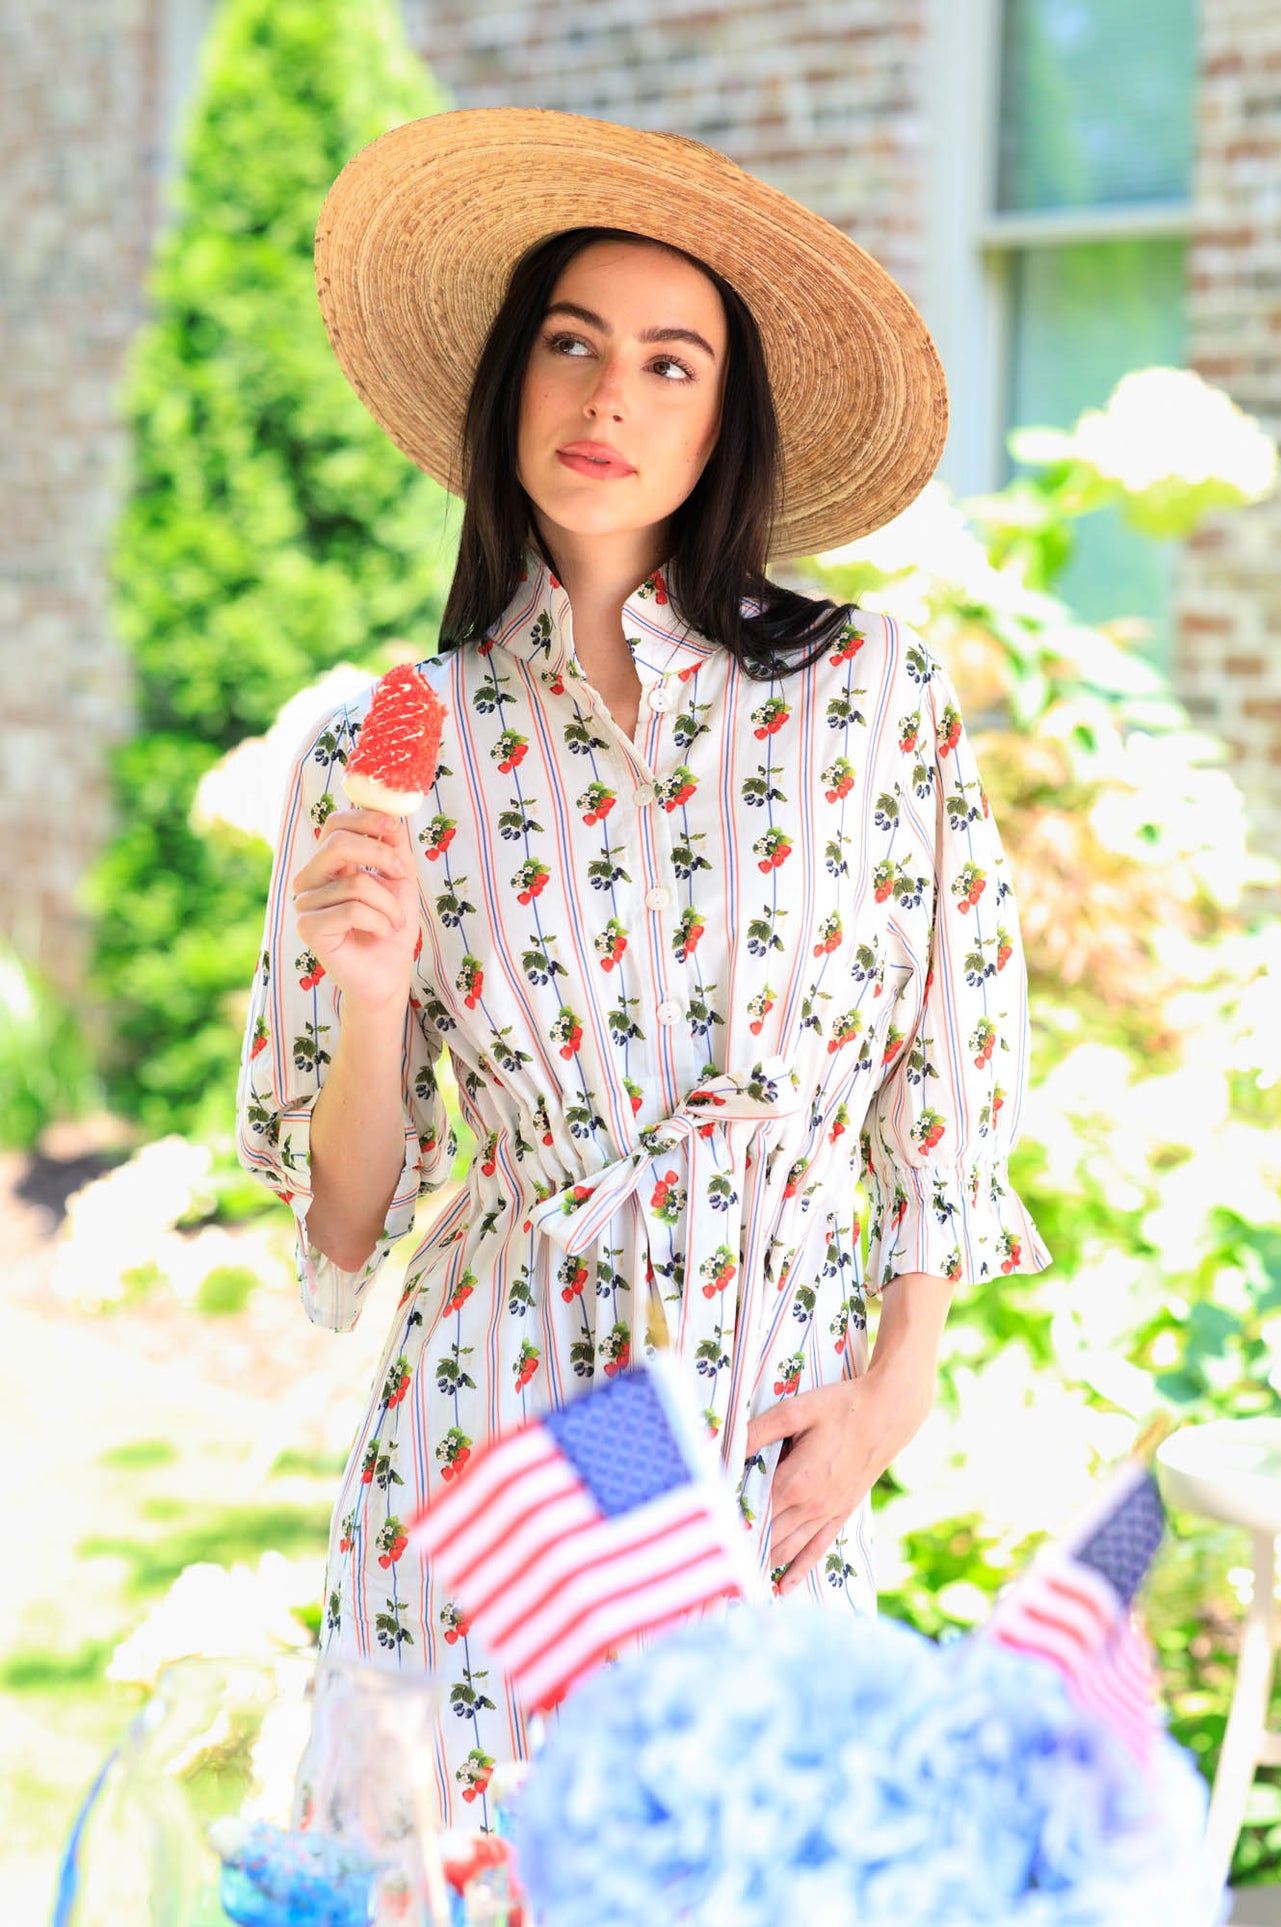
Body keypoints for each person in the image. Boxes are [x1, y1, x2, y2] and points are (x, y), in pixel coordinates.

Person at [236, 106, 1051, 1823]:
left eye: (669, 364)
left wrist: (893, 1389)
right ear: (508, 385)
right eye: (570, 345)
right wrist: (371, 992)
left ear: (723, 417)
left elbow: (950, 1066)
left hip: (773, 1406)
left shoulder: (872, 699)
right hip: (499, 1421)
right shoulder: (382, 751)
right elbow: (348, 1216)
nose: (609, 399)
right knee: (494, 1867)